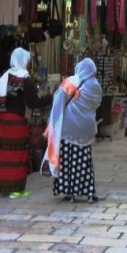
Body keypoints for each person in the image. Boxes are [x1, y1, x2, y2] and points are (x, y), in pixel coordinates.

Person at [0, 47, 51, 196]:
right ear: (23, 61)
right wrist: (51, 96)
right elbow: (34, 102)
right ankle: (14, 190)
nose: (28, 64)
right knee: (17, 157)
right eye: (28, 61)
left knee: (1, 156)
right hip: (16, 123)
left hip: (2, 122)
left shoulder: (4, 76)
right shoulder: (26, 79)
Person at [44, 58, 103, 203]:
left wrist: (53, 121)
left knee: (68, 159)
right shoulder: (96, 85)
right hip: (86, 128)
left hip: (69, 127)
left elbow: (59, 99)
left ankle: (69, 192)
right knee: (84, 161)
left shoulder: (73, 81)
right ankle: (88, 190)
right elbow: (97, 104)